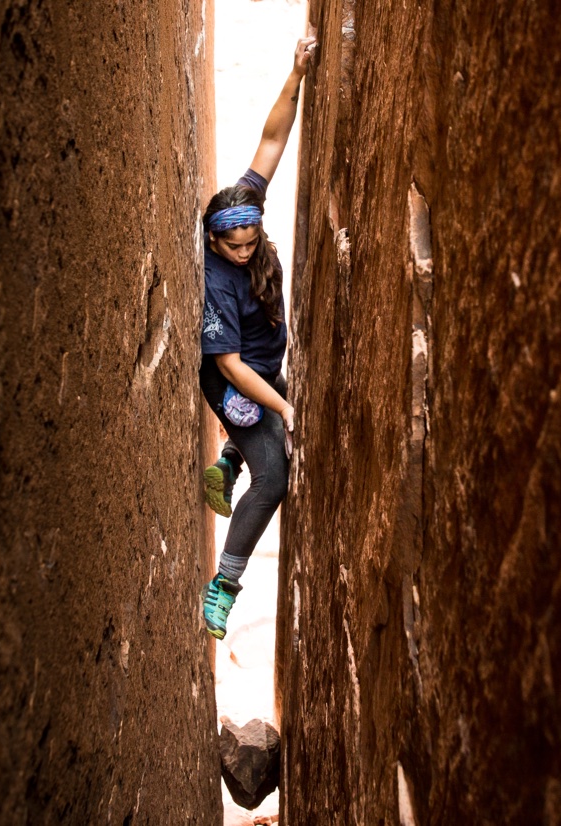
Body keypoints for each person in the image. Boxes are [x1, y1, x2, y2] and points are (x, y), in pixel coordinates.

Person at [199, 35, 317, 640]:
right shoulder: (216, 282)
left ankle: (227, 460)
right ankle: (223, 586)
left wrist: (296, 73)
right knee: (273, 475)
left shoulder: (242, 207)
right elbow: (230, 366)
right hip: (237, 382)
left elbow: (272, 140)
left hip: (267, 365)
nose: (245, 254)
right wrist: (285, 407)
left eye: (251, 243)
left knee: (264, 421)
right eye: (233, 247)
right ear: (216, 241)